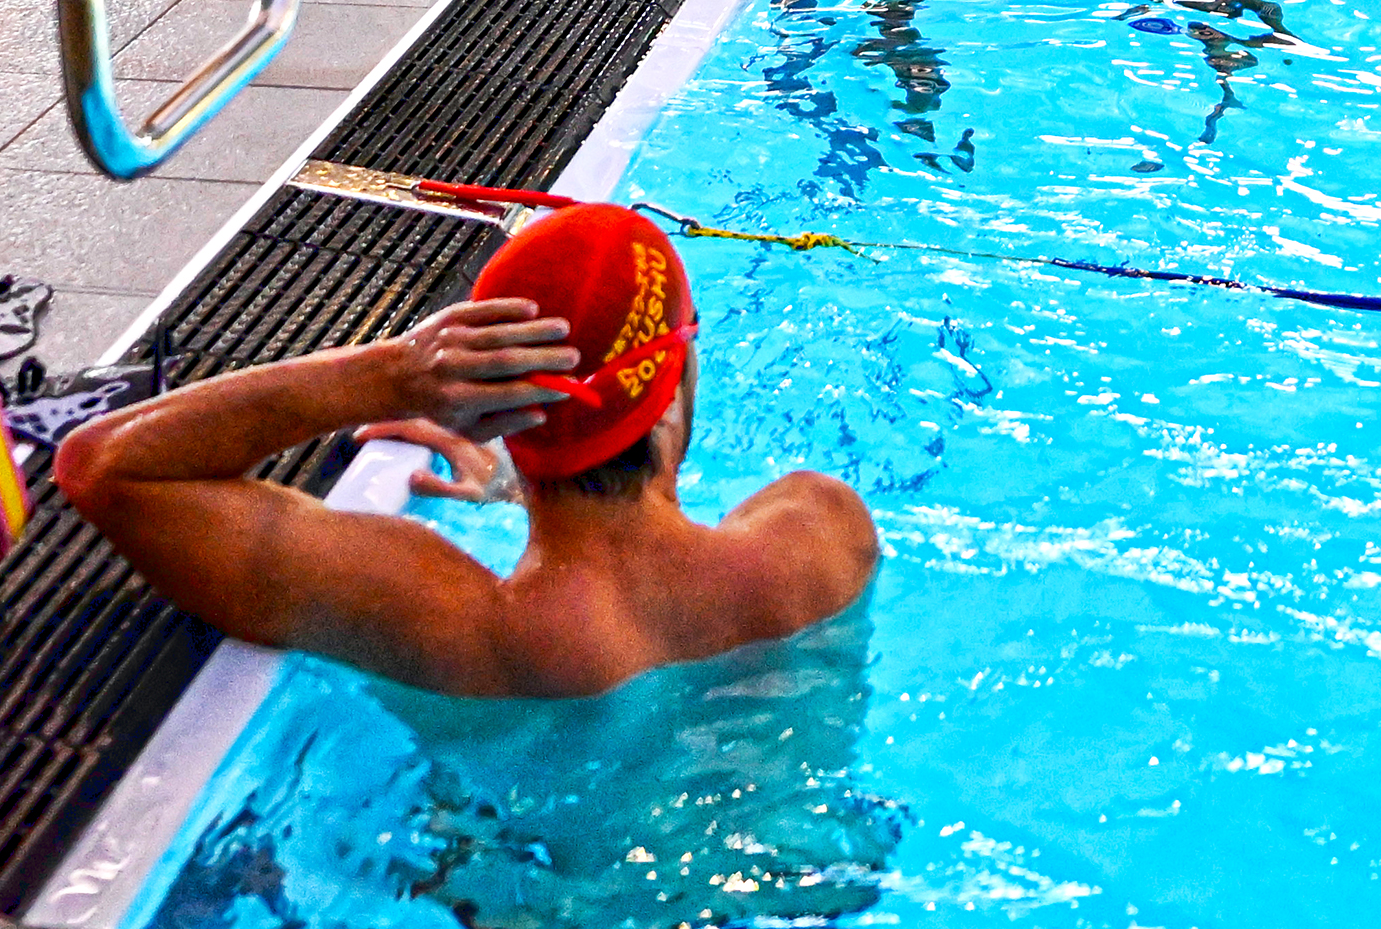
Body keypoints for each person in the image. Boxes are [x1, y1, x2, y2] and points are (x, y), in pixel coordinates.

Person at [51, 202, 873, 698]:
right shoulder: (819, 535)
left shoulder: (454, 630)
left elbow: (107, 467)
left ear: (497, 415)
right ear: (681, 375)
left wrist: (386, 375)